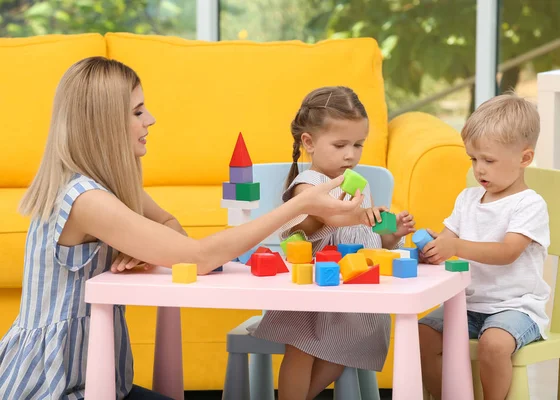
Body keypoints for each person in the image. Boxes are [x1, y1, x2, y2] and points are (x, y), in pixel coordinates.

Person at [0, 58, 363, 400]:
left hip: (100, 381)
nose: (151, 119)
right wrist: (298, 205)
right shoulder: (85, 199)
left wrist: (142, 244)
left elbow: (171, 227)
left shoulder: (107, 186)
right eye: (137, 111)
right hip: (50, 387)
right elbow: (198, 256)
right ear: (104, 122)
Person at [251, 86, 416, 400]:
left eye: (358, 144)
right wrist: (349, 214)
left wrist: (391, 235)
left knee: (342, 353)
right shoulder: (309, 185)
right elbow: (316, 224)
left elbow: (364, 240)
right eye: (340, 144)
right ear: (309, 143)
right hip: (314, 292)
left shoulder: (358, 185)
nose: (350, 154)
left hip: (352, 293)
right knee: (301, 349)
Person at [418, 93, 550, 400]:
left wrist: (455, 246)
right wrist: (432, 247)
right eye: (473, 159)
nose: (479, 169)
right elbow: (446, 241)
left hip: (516, 307)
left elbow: (507, 253)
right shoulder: (467, 199)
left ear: (524, 158)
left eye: (488, 160)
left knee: (494, 345)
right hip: (466, 306)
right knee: (422, 334)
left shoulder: (529, 204)